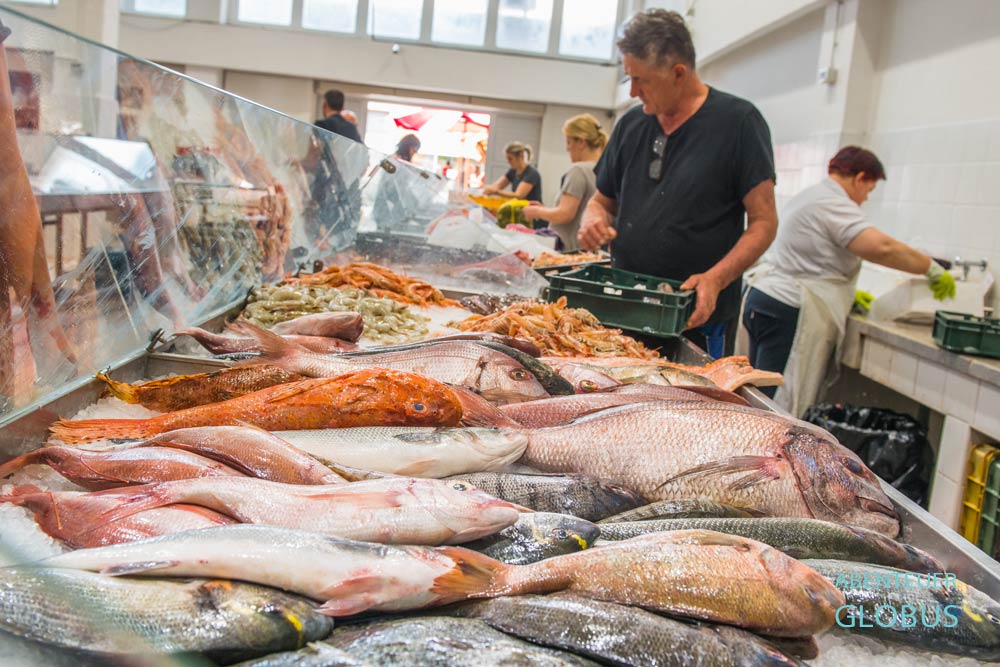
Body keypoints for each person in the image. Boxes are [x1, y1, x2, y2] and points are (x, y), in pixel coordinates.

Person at [577, 9, 777, 358]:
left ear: (678, 73)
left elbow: (764, 222)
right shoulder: (630, 125)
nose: (634, 91)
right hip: (624, 307)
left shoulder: (738, 123)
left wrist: (715, 278)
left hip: (695, 318)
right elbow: (601, 201)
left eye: (642, 81)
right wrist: (592, 219)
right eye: (629, 79)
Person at [743, 146, 956, 414]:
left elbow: (814, 256)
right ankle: (763, 452)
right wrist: (930, 268)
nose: (865, 199)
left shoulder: (812, 195)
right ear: (860, 177)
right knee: (774, 398)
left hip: (766, 298)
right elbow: (882, 248)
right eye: (868, 189)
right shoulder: (832, 203)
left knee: (759, 393)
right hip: (789, 307)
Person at [523, 114, 607, 252]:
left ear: (581, 142)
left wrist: (536, 211)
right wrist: (546, 209)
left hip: (567, 250)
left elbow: (565, 214)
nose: (567, 148)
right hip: (585, 251)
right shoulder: (602, 169)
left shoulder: (578, 170)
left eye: (569, 142)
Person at [482, 142, 544, 226]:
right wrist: (486, 190)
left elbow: (519, 195)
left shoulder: (531, 174)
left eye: (510, 159)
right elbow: (497, 186)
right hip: (519, 213)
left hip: (532, 217)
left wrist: (496, 192)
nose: (508, 162)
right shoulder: (513, 171)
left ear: (521, 156)